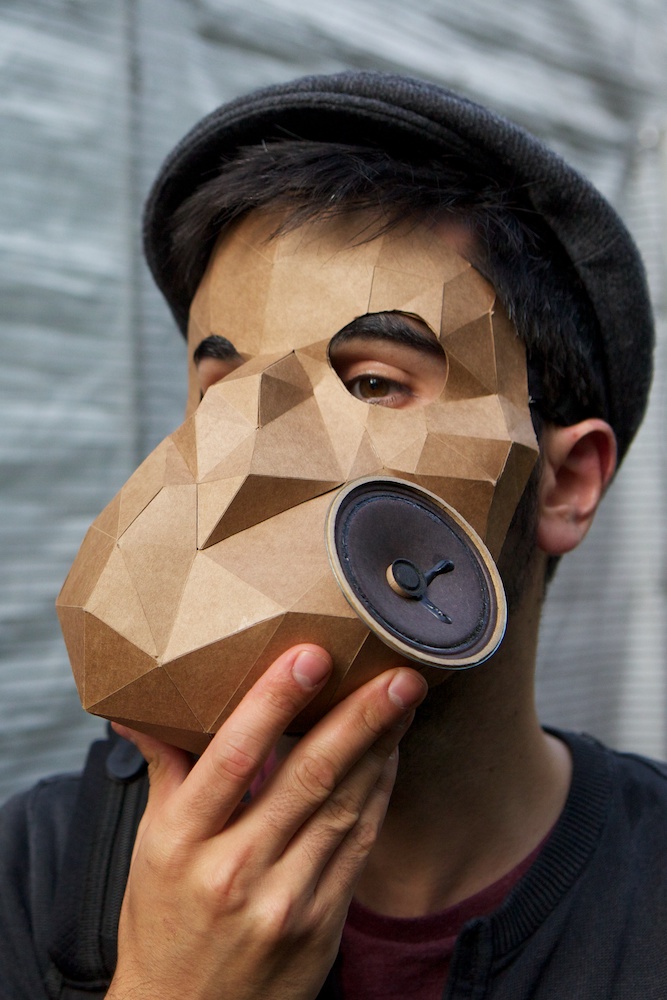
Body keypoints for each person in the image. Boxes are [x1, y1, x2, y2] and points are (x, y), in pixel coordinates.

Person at [0, 71, 663, 1000]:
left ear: (566, 483)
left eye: (372, 384)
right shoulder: (39, 870)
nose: (246, 448)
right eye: (220, 389)